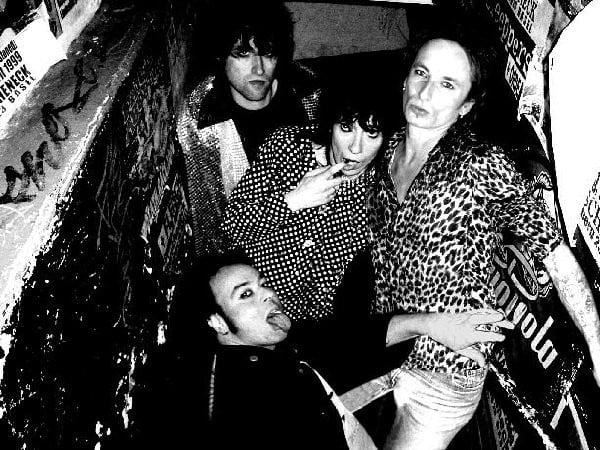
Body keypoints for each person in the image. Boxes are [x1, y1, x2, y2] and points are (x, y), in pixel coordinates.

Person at [366, 23, 600, 450]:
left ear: (466, 106)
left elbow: (555, 255)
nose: (425, 93)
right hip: (388, 351)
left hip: (445, 374)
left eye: (447, 84)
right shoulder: (386, 150)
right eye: (421, 73)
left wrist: (598, 347)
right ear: (405, 78)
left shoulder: (479, 163)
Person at [223, 88, 389, 323]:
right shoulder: (287, 146)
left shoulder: (381, 192)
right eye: (346, 128)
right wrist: (293, 200)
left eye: (371, 134)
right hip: (250, 314)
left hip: (315, 327)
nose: (356, 148)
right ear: (330, 125)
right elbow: (232, 226)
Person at [176, 0, 320, 256]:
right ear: (220, 56)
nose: (259, 68)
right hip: (248, 253)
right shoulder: (201, 118)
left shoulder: (309, 94)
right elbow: (211, 224)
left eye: (268, 53)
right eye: (243, 54)